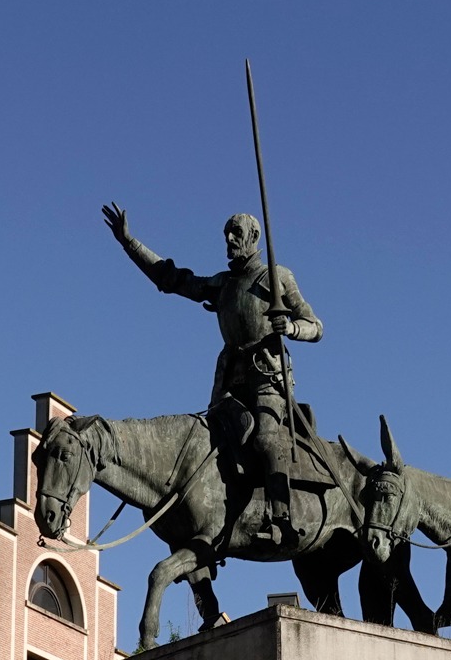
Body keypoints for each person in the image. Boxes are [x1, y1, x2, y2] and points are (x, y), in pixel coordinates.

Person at [102, 204, 322, 545]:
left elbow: (315, 325)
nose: (229, 240)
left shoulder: (276, 277)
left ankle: (282, 519)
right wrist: (130, 243)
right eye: (226, 234)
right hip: (229, 381)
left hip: (267, 378)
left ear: (253, 237)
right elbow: (172, 279)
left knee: (266, 439)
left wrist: (292, 327)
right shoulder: (223, 284)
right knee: (203, 441)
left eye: (236, 233)